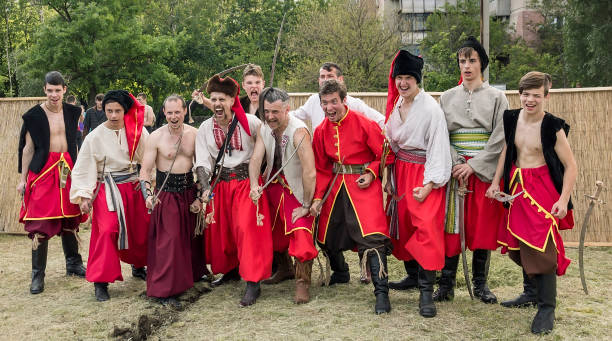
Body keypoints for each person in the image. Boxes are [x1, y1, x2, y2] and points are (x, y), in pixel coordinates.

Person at [486, 71, 576, 334]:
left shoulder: (553, 127)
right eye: (526, 94)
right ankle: (531, 293)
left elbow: (571, 166)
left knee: (543, 245)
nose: (530, 100)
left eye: (537, 95)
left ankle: (547, 307)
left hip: (543, 189)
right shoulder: (511, 118)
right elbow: (507, 151)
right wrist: (495, 182)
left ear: (546, 96)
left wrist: (563, 199)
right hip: (516, 188)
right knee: (520, 243)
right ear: (520, 94)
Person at [435, 36, 509, 304]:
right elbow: (441, 134)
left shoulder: (497, 97)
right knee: (451, 227)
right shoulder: (445, 98)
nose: (466, 66)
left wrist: (474, 166)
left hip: (483, 172)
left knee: (481, 227)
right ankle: (446, 284)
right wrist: (456, 163)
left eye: (472, 60)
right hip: (455, 172)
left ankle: (480, 284)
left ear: (482, 64)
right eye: (462, 61)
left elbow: (500, 137)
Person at [310, 79, 392, 314]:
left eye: (334, 101)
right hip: (335, 188)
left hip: (363, 187)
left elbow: (385, 154)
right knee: (325, 234)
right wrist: (317, 198)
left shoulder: (364, 123)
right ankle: (341, 272)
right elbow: (322, 169)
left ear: (344, 100)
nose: (329, 108)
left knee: (373, 239)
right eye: (324, 103)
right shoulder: (320, 131)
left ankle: (381, 293)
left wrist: (372, 172)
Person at [383, 50, 452, 317]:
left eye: (408, 78)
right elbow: (391, 145)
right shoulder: (397, 106)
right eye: (399, 77)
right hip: (401, 172)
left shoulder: (431, 109)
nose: (402, 83)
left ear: (417, 79)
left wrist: (430, 184)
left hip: (424, 174)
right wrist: (389, 179)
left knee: (426, 229)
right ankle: (413, 277)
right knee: (406, 225)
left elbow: (438, 148)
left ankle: (426, 294)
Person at [194, 75, 273, 307]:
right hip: (220, 182)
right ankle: (230, 271)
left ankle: (253, 282)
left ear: (232, 100)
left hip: (246, 183)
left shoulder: (249, 122)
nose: (217, 103)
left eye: (222, 99)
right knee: (223, 231)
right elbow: (202, 161)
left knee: (248, 230)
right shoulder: (205, 128)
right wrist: (206, 186)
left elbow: (266, 149)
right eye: (213, 99)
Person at [70, 90, 150, 301]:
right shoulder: (94, 137)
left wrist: (151, 184)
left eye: (118, 111)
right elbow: (83, 166)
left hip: (133, 186)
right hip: (107, 188)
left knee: (140, 227)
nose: (113, 115)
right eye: (109, 111)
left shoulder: (137, 132)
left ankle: (139, 265)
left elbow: (150, 158)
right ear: (103, 110)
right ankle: (101, 281)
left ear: (125, 111)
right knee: (107, 230)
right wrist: (85, 196)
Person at [17, 71, 87, 294]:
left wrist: (81, 173)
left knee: (70, 216)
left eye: (58, 90)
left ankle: (74, 264)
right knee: (40, 221)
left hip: (67, 166)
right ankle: (38, 275)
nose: (54, 94)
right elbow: (27, 149)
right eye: (50, 90)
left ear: (64, 90)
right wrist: (22, 180)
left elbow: (77, 143)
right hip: (43, 170)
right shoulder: (34, 115)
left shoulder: (74, 112)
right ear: (44, 90)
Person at [248, 87, 318, 304]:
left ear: (287, 109)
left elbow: (309, 171)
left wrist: (306, 204)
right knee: (264, 227)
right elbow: (256, 159)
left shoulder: (299, 132)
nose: (270, 116)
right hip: (272, 185)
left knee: (300, 229)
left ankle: (302, 283)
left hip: (296, 188)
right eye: (266, 111)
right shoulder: (264, 128)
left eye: (275, 112)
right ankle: (285, 268)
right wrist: (253, 185)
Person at [139, 94, 205, 308]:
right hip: (165, 195)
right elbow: (145, 171)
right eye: (169, 113)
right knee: (169, 242)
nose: (174, 117)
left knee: (191, 239)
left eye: (178, 112)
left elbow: (202, 168)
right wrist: (147, 195)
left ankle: (193, 276)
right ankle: (164, 290)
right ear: (164, 113)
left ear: (185, 111)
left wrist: (199, 198)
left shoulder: (195, 134)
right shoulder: (155, 137)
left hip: (188, 191)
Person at [290, 62, 385, 129]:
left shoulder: (354, 104)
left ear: (340, 79)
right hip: (320, 153)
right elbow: (294, 116)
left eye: (330, 76)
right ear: (319, 81)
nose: (325, 80)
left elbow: (381, 121)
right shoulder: (313, 100)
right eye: (322, 77)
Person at [192, 63, 265, 119]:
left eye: (257, 82)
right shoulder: (240, 103)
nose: (254, 86)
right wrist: (202, 99)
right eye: (249, 83)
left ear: (263, 84)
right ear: (243, 85)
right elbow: (221, 108)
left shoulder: (270, 103)